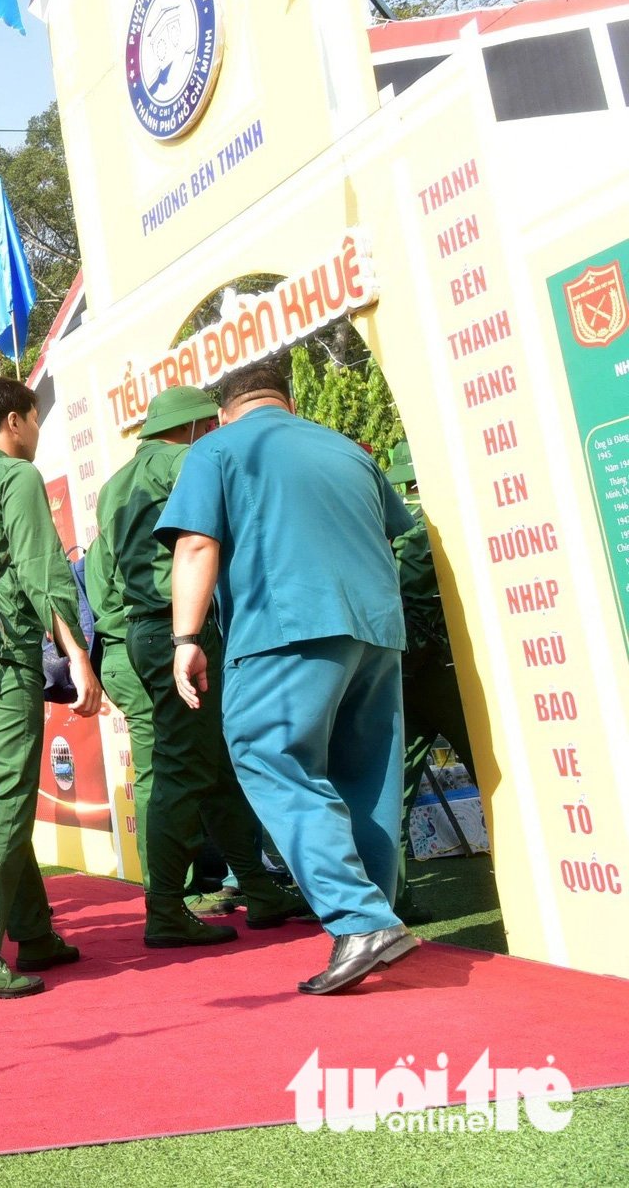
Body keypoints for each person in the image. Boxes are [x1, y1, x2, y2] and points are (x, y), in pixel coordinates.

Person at [158, 357, 418, 995]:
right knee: (367, 778)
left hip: (284, 627)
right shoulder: (348, 450)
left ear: (223, 410)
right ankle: (375, 918)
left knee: (271, 758)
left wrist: (186, 638)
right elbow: (392, 535)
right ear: (289, 401)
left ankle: (361, 922)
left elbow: (196, 545)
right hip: (376, 631)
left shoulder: (215, 448)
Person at [86, 386, 306, 949]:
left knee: (212, 769)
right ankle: (164, 909)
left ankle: (257, 889)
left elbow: (102, 576)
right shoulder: (191, 461)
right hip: (184, 631)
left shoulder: (114, 485)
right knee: (184, 773)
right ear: (197, 427)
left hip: (141, 633)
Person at [0, 378, 100, 1001]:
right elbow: (42, 570)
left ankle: (33, 931)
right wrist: (77, 657)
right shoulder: (15, 478)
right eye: (35, 419)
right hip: (2, 655)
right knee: (6, 798)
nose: (37, 432)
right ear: (15, 421)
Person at [385, 442, 474, 922]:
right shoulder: (445, 524)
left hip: (397, 674)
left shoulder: (381, 527)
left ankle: (394, 900)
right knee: (492, 777)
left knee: (393, 792)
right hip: (447, 670)